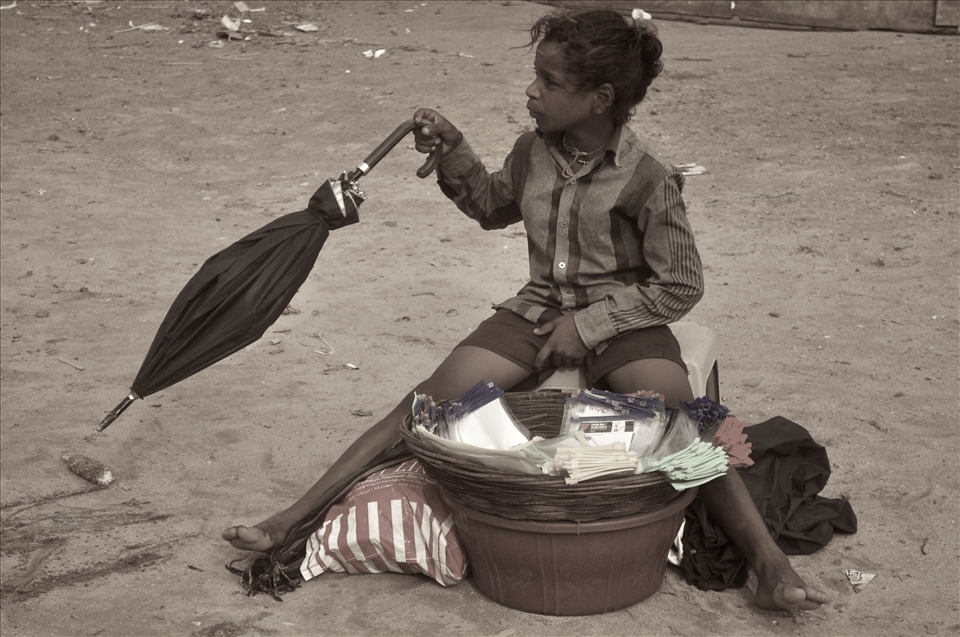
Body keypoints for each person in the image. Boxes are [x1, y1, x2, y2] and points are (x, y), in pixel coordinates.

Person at [223, 9, 828, 611]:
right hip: (537, 309)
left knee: (686, 414)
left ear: (600, 98)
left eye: (549, 81)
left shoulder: (648, 178)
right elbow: (491, 206)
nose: (531, 92)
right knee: (427, 402)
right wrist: (456, 152)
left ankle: (768, 562)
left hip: (625, 318)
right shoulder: (532, 152)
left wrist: (591, 325)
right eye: (535, 76)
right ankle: (289, 520)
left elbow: (681, 284)